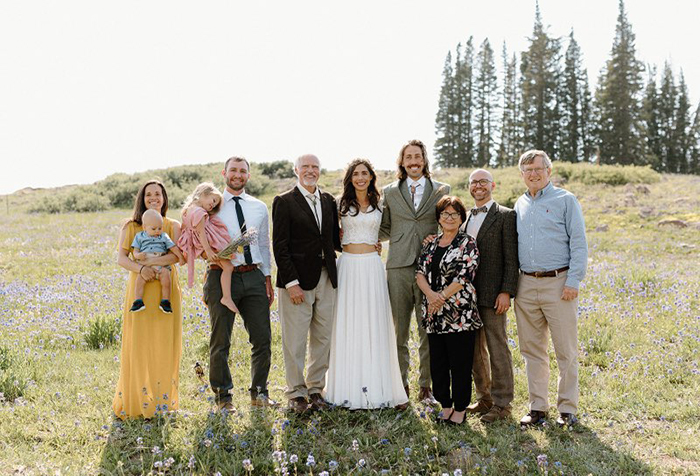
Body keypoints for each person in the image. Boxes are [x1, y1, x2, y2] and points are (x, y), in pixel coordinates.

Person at [325, 159, 408, 410]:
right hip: (348, 265)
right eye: (356, 174)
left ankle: (381, 387)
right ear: (350, 178)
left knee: (375, 322)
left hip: (372, 266)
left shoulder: (381, 203)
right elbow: (330, 234)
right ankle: (345, 388)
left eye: (365, 173)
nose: (360, 178)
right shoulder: (338, 203)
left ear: (372, 176)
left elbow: (389, 229)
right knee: (348, 322)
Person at [513, 150, 588, 428]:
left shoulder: (565, 200)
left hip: (559, 283)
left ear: (549, 171)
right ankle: (537, 408)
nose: (533, 173)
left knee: (565, 350)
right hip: (526, 284)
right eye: (527, 169)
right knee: (532, 350)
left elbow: (579, 242)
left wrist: (573, 281)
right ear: (521, 175)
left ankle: (567, 409)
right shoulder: (519, 204)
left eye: (538, 168)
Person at [379, 139, 450, 404]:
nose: (413, 162)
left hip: (430, 269)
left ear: (424, 159)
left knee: (427, 329)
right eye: (408, 157)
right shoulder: (389, 192)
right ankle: (400, 385)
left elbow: (449, 222)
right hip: (397, 266)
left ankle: (426, 387)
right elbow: (384, 227)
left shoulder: (442, 189)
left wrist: (440, 238)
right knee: (398, 329)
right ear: (402, 162)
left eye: (417, 156)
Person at [205, 156, 276, 411]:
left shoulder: (259, 207)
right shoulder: (211, 205)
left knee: (262, 339)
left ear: (248, 175)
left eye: (243, 171)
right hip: (221, 276)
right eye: (233, 170)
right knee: (221, 339)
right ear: (224, 173)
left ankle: (259, 393)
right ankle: (223, 397)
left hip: (254, 275)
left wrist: (267, 277)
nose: (238, 175)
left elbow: (264, 244)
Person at [272, 154, 341, 413]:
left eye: (315, 167)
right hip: (297, 281)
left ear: (319, 171)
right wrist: (291, 282)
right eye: (305, 167)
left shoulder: (328, 200)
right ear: (296, 171)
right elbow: (280, 245)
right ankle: (296, 393)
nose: (310, 171)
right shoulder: (284, 201)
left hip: (327, 277)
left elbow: (333, 240)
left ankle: (315, 390)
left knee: (323, 337)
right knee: (295, 339)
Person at [113, 180, 183, 419]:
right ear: (142, 199)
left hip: (165, 291)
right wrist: (140, 269)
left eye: (158, 194)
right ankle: (137, 401)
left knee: (164, 342)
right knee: (140, 344)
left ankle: (163, 402)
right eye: (149, 194)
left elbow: (178, 258)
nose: (154, 198)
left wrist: (150, 262)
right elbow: (122, 259)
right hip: (140, 291)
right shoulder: (130, 226)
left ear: (164, 198)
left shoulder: (173, 226)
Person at [416, 196, 481, 424]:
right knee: (439, 363)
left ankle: (460, 409)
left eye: (454, 214)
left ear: (462, 218)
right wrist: (431, 297)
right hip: (434, 314)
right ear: (439, 218)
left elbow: (464, 276)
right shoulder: (431, 244)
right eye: (445, 214)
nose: (449, 218)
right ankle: (445, 406)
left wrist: (441, 297)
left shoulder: (468, 243)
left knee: (460, 363)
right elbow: (420, 273)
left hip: (459, 314)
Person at [462, 169, 519, 423]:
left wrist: (506, 291)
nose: (479, 186)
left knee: (497, 347)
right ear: (469, 187)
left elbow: (511, 257)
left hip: (493, 293)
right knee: (473, 350)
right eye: (474, 182)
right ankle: (483, 397)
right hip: (466, 296)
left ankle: (502, 403)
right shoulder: (464, 218)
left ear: (492, 185)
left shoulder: (506, 216)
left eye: (483, 181)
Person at [178, 182, 238, 314]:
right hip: (209, 245)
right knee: (229, 267)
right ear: (203, 194)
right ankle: (226, 297)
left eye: (215, 205)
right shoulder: (199, 212)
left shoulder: (188, 210)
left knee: (225, 266)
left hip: (202, 246)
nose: (212, 205)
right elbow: (202, 234)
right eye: (213, 200)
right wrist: (209, 251)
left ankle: (220, 296)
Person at [129, 209, 184, 314]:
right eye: (154, 229)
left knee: (166, 278)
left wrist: (180, 257)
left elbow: (173, 248)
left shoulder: (163, 236)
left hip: (160, 263)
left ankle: (165, 301)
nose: (157, 231)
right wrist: (138, 255)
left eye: (160, 228)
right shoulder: (139, 237)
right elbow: (135, 252)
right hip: (145, 263)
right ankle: (138, 301)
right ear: (145, 227)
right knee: (139, 280)